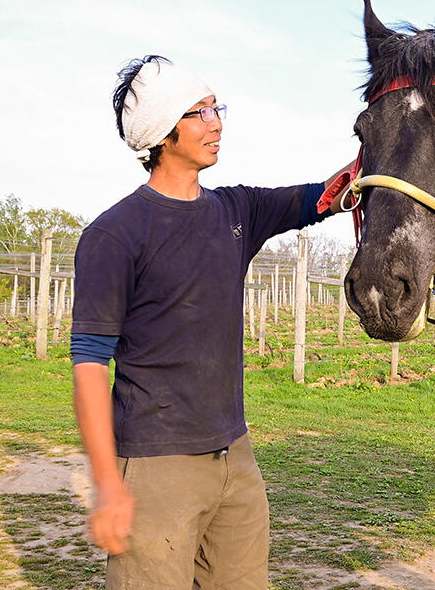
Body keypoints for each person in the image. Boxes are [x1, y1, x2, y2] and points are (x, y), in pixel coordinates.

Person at [71, 55, 349, 589]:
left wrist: (382, 160)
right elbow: (88, 364)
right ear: (162, 132)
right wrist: (107, 483)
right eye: (199, 112)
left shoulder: (235, 212)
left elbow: (320, 197)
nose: (216, 121)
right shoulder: (116, 234)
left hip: (234, 459)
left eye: (216, 107)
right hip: (154, 465)